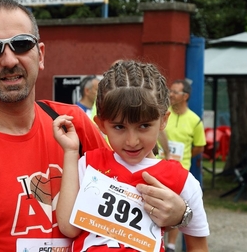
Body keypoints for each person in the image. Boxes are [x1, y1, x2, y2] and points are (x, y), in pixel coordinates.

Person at [0, 0, 189, 251]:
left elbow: (139, 191)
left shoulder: (73, 124)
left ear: (40, 55)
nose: (9, 60)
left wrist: (180, 215)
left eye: (21, 44)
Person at [53, 60, 209, 251]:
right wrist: (70, 153)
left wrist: (182, 215)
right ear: (101, 124)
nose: (132, 141)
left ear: (163, 120)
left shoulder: (183, 181)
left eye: (144, 126)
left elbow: (198, 247)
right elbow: (68, 228)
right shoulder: (88, 164)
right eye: (119, 127)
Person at [158, 79, 206, 252]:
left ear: (185, 96)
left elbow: (200, 146)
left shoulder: (195, 120)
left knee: (178, 209)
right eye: (170, 91)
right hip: (159, 168)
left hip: (180, 171)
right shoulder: (163, 114)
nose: (171, 94)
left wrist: (184, 157)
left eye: (175, 92)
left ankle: (171, 246)